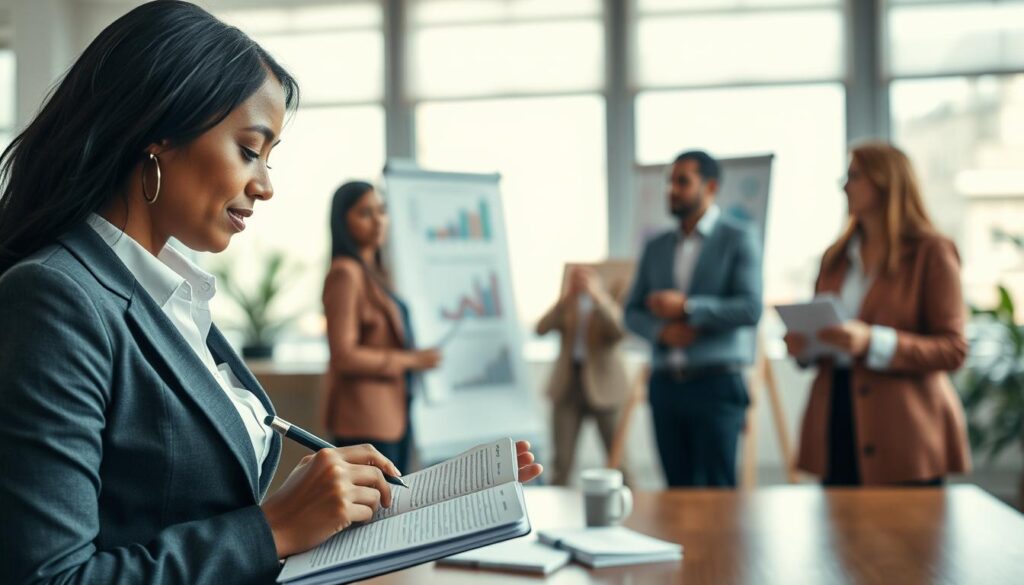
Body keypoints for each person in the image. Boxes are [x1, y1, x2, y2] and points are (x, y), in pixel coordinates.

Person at [0, 3, 542, 584]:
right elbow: (49, 578)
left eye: (270, 158)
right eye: (249, 150)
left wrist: (338, 507)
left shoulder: (174, 297)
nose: (265, 186)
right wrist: (274, 527)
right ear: (156, 136)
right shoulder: (55, 297)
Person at [787, 142, 971, 486]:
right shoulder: (836, 257)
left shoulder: (931, 252)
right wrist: (804, 347)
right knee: (839, 535)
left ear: (886, 182)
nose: (844, 186)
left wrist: (873, 342)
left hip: (905, 429)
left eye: (854, 176)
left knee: (907, 538)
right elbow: (824, 336)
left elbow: (953, 349)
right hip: (836, 415)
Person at [625, 150, 762, 487]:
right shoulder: (656, 246)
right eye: (669, 181)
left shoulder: (738, 237)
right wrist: (661, 332)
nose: (672, 189)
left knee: (718, 496)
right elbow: (630, 312)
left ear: (710, 186)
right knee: (676, 494)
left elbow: (750, 308)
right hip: (665, 386)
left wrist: (688, 308)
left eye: (682, 181)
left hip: (715, 385)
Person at [323, 181, 441, 472]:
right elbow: (344, 355)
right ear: (343, 222)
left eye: (381, 211)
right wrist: (412, 360)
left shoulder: (376, 272)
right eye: (365, 213)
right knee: (373, 513)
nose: (378, 221)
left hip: (394, 414)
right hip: (365, 419)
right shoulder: (345, 274)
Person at [536, 265, 632, 486]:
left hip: (605, 388)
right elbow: (540, 329)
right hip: (569, 387)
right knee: (561, 463)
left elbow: (620, 332)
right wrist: (564, 300)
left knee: (619, 460)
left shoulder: (608, 302)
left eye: (586, 278)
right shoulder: (567, 306)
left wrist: (598, 297)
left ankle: (631, 511)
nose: (581, 283)